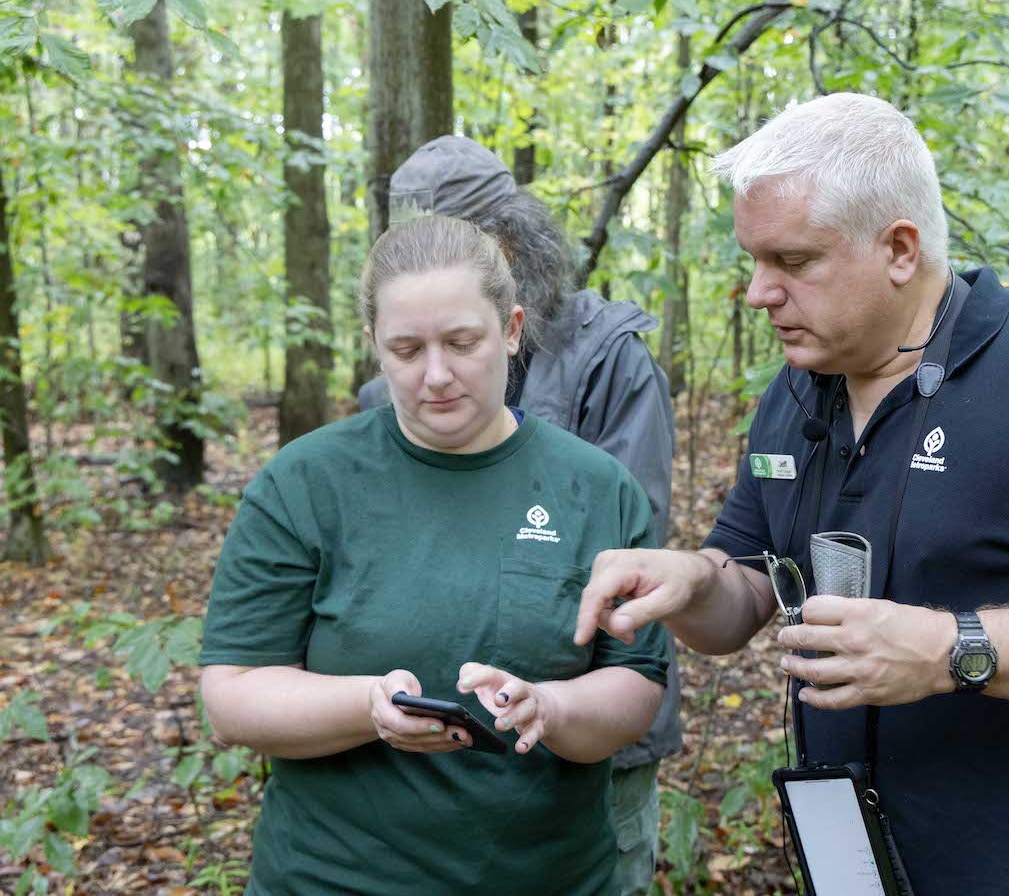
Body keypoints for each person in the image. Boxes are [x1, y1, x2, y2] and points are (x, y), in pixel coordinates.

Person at [574, 93, 1009, 896]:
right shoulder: (797, 392)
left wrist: (947, 650)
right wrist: (690, 580)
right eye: (753, 260)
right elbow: (744, 595)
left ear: (899, 249)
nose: (758, 293)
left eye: (793, 262)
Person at [199, 215, 668, 895]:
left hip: (548, 878)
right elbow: (233, 694)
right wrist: (369, 705)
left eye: (462, 342)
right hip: (330, 880)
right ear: (374, 346)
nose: (437, 375)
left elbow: (636, 685)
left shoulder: (596, 489)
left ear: (512, 329)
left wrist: (550, 709)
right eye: (407, 349)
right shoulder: (304, 484)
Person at [356, 136, 682, 894]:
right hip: (437, 750)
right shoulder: (393, 390)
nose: (435, 370)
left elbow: (630, 559)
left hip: (587, 738)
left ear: (509, 241)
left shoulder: (608, 356)